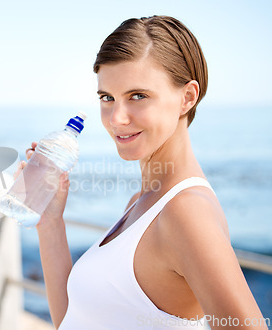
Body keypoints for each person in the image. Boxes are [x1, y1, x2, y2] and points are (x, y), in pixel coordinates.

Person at [16, 15, 267, 329]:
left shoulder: (185, 212)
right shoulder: (141, 202)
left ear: (187, 97)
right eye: (107, 98)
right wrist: (50, 222)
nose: (117, 118)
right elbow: (74, 321)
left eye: (138, 96)